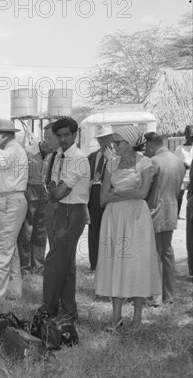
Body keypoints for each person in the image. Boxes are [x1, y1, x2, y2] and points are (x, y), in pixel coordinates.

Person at [95, 126, 161, 330]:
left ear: (131, 143)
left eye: (118, 142)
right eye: (114, 142)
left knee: (137, 262)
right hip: (114, 218)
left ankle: (137, 317)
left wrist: (117, 192)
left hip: (136, 218)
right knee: (115, 260)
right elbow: (103, 197)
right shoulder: (111, 164)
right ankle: (116, 317)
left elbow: (143, 194)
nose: (114, 146)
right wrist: (127, 192)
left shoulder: (145, 163)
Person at [41, 117, 90, 319]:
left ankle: (49, 308)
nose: (62, 139)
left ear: (75, 135)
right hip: (60, 210)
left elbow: (59, 191)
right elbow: (53, 187)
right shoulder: (59, 155)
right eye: (58, 135)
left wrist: (55, 190)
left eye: (66, 135)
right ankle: (69, 311)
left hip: (73, 211)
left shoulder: (78, 157)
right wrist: (54, 190)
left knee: (54, 262)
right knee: (66, 264)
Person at [0, 119, 28, 305]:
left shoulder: (10, 150)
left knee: (0, 250)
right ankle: (13, 290)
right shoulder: (12, 150)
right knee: (10, 249)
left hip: (6, 201)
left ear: (1, 135)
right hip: (8, 200)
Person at [145, 132, 186, 305]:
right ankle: (169, 295)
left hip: (155, 211)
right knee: (167, 252)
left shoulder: (154, 161)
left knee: (155, 253)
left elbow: (146, 188)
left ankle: (155, 297)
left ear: (150, 145)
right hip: (171, 211)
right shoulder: (178, 161)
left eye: (146, 147)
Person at [17, 123, 57, 275]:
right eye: (47, 137)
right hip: (29, 190)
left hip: (46, 192)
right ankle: (24, 266)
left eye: (52, 138)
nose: (49, 141)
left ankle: (38, 266)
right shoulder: (28, 152)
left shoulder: (56, 154)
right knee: (26, 231)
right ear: (44, 137)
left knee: (41, 231)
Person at [87, 125, 114, 272]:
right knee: (94, 229)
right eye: (100, 138)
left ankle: (108, 263)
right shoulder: (93, 156)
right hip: (94, 195)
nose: (103, 141)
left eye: (106, 138)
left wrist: (111, 160)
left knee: (110, 229)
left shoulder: (117, 156)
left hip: (110, 194)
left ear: (111, 138)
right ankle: (94, 262)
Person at [174, 125, 192, 219]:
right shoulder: (179, 149)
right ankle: (177, 214)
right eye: (190, 137)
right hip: (183, 175)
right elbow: (175, 161)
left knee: (191, 195)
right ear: (186, 136)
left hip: (192, 175)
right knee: (179, 194)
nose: (191, 139)